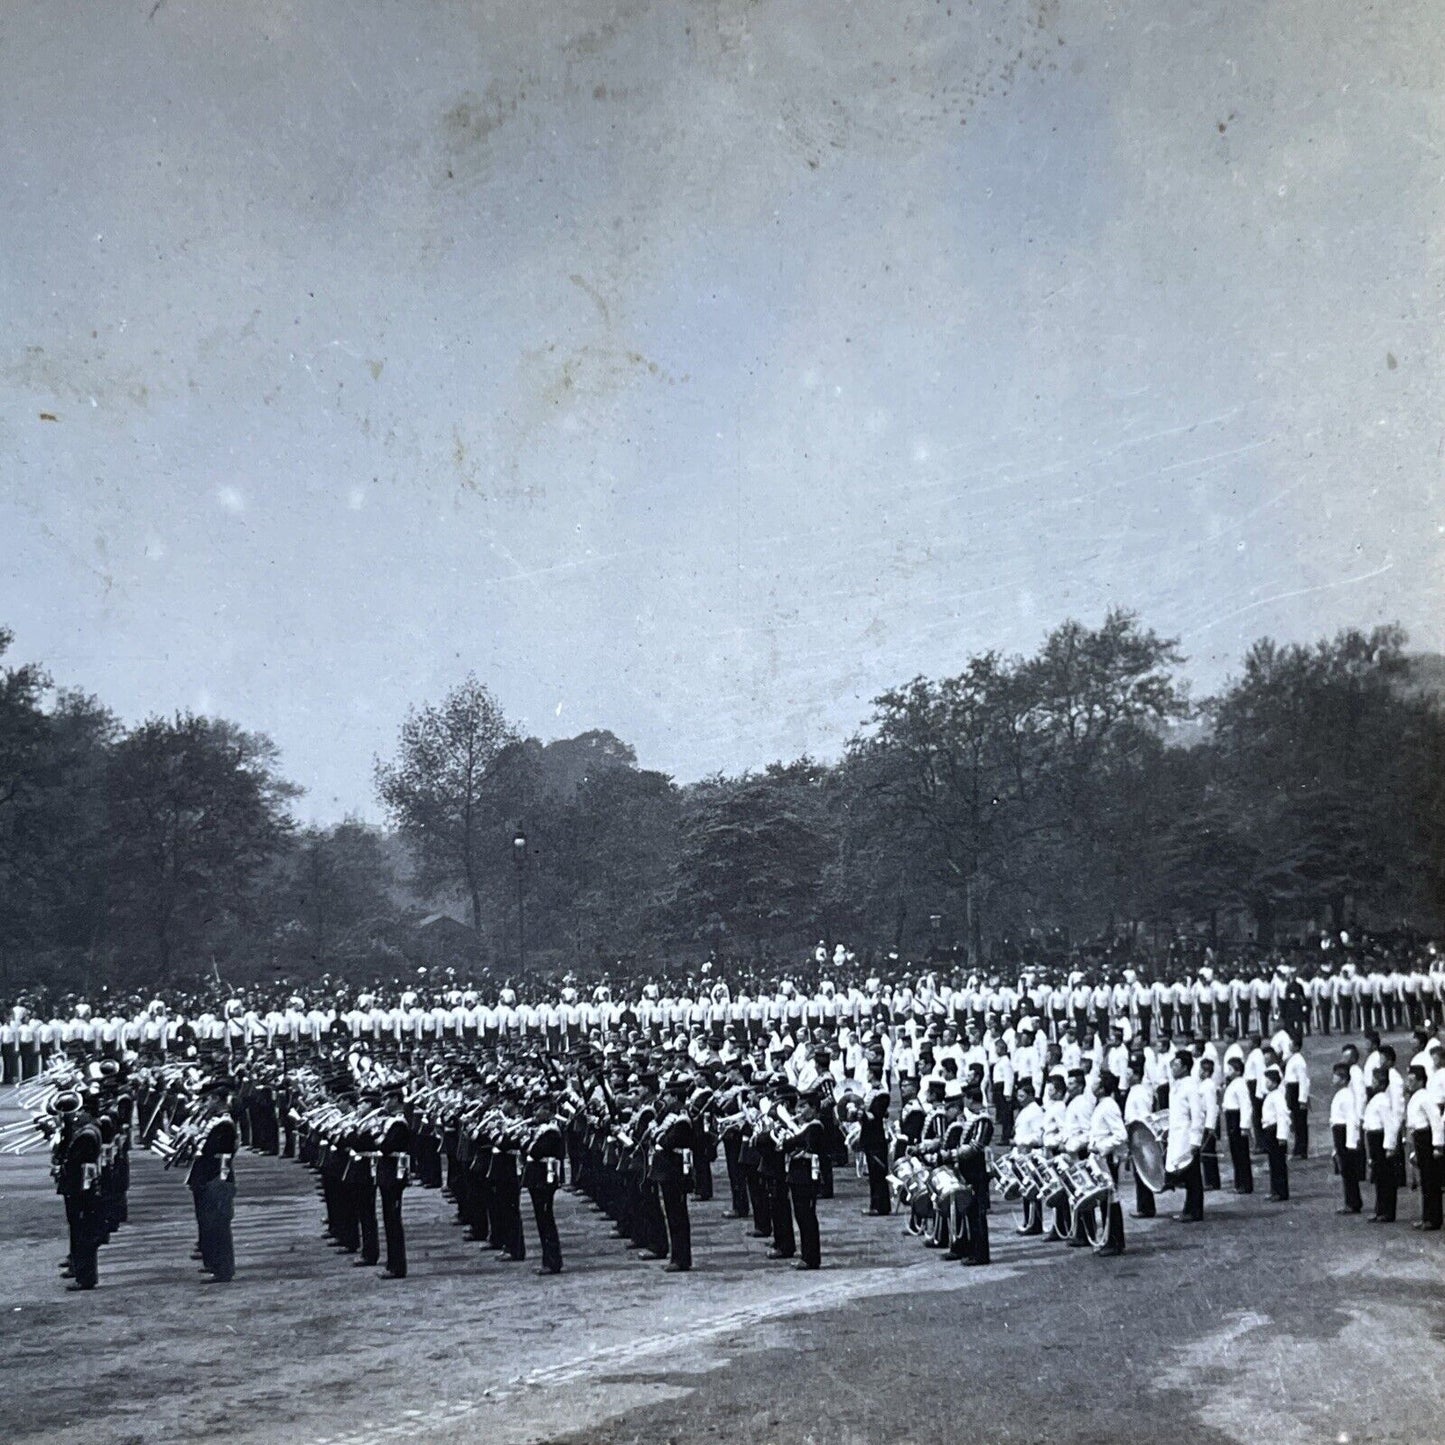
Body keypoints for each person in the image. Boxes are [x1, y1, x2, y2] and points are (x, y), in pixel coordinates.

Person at [188, 1078, 238, 1283]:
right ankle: (215, 1264)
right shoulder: (215, 1120)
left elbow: (223, 1156)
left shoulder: (224, 1123)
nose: (206, 1104)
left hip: (216, 1177)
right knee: (210, 1224)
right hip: (208, 1176)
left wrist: (219, 1181)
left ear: (217, 1099)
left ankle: (223, 1269)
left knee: (218, 1226)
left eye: (208, 1099)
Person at [783, 1081, 826, 1270]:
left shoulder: (815, 1127)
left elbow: (799, 1145)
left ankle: (811, 1257)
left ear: (813, 1109)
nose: (799, 1111)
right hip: (798, 1177)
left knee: (807, 1217)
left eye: (803, 1107)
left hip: (806, 1178)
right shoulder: (806, 1127)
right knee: (801, 1217)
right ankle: (807, 1254)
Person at [522, 1094, 565, 1275]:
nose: (535, 1113)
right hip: (537, 1177)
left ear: (547, 1111)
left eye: (538, 1109)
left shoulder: (551, 1131)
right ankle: (548, 1259)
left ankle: (552, 1261)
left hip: (544, 1177)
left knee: (546, 1220)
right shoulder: (542, 1129)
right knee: (542, 1220)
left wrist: (526, 1141)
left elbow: (537, 1151)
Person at [1086, 1070, 1127, 1257]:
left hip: (1106, 1158)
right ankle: (1109, 1240)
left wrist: (1102, 1147)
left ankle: (1115, 1242)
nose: (1092, 1085)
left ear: (1102, 1088)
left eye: (1096, 1083)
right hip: (1099, 1158)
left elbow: (1120, 1134)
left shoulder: (1109, 1106)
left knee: (1111, 1199)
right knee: (1104, 1199)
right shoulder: (1101, 1104)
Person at [1165, 1051, 1204, 1222]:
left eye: (1176, 1065)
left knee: (1193, 1175)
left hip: (1187, 1136)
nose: (1173, 1068)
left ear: (1185, 1068)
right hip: (1176, 1135)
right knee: (1187, 1175)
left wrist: (1195, 1140)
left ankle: (1195, 1211)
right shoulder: (1176, 1085)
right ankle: (1188, 1208)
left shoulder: (1191, 1086)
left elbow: (1197, 1115)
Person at [377, 1085, 411, 1278]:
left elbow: (386, 1147)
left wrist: (378, 1138)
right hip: (388, 1174)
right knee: (390, 1221)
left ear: (396, 1099)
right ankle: (393, 1264)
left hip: (394, 1175)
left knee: (393, 1222)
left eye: (388, 1099)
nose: (384, 1103)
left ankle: (397, 1266)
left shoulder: (398, 1123)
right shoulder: (391, 1122)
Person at [1405, 1066, 1443, 1231]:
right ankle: (1426, 1217)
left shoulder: (1425, 1097)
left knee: (1430, 1180)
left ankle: (1433, 1219)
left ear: (1421, 1081)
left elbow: (1436, 1121)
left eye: (1412, 1081)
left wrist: (1437, 1145)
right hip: (1418, 1137)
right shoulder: (1416, 1097)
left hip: (1426, 1138)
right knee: (1424, 1180)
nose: (1409, 1084)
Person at [1362, 1070, 1399, 1224]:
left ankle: (1387, 1211)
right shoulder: (1376, 1099)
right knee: (1378, 1176)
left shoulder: (1383, 1100)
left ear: (1382, 1083)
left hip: (1380, 1139)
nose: (1373, 1084)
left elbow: (1389, 1124)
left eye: (1375, 1081)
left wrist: (1389, 1146)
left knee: (1385, 1177)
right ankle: (1380, 1210)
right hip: (1373, 1137)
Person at [1329, 1061, 1364, 1216]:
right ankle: (1350, 1201)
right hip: (1338, 1131)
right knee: (1345, 1169)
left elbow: (1352, 1119)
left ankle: (1353, 1202)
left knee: (1348, 1170)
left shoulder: (1347, 1096)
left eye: (1336, 1076)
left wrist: (1351, 1141)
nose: (1333, 1079)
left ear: (1343, 1079)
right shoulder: (1341, 1094)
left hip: (1344, 1133)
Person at [1123, 1061, 1156, 1219]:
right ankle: (1143, 1205)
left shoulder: (1140, 1093)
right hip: (1133, 1133)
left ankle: (1146, 1207)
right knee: (1138, 1171)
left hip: (1140, 1134)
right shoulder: (1134, 1091)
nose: (1126, 1077)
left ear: (1137, 1075)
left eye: (1129, 1074)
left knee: (1142, 1170)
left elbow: (1144, 1117)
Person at [1221, 1056, 1254, 1196]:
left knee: (1241, 1153)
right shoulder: (1233, 1083)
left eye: (1230, 1069)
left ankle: (1245, 1184)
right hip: (1231, 1117)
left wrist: (1244, 1126)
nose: (1227, 1072)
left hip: (1237, 1119)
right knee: (1235, 1152)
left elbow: (1246, 1106)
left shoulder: (1240, 1084)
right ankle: (1239, 1182)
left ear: (1238, 1071)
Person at [1260, 1067, 1290, 1201]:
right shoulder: (1271, 1095)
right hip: (1269, 1130)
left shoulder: (1277, 1096)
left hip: (1275, 1131)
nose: (1265, 1084)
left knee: (1278, 1163)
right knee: (1273, 1162)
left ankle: (1281, 1192)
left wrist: (1282, 1136)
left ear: (1273, 1082)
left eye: (1267, 1081)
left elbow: (1283, 1115)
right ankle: (1274, 1190)